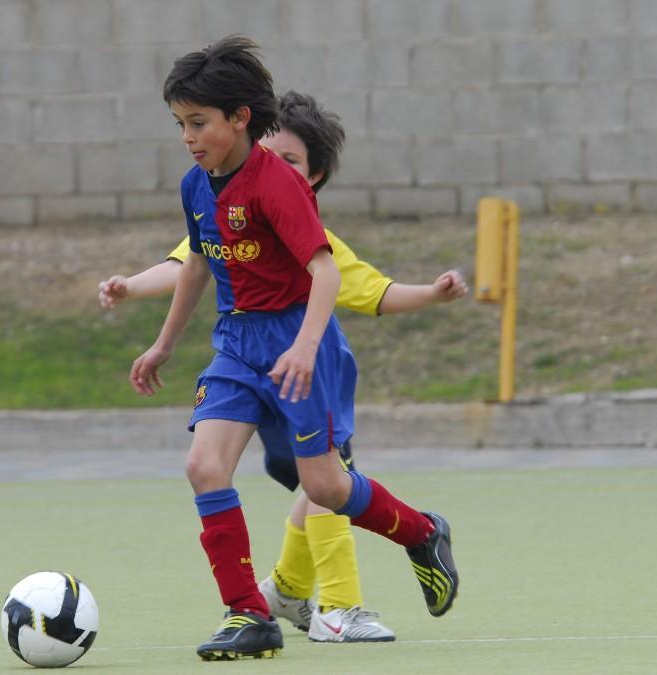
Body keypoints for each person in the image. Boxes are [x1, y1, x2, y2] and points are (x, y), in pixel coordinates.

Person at [130, 36, 458, 661]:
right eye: (180, 123)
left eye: (198, 123)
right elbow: (199, 264)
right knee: (203, 466)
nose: (188, 137)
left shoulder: (276, 184)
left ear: (239, 118)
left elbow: (326, 272)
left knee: (328, 489)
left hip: (295, 338)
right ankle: (248, 615)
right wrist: (163, 343)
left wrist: (307, 348)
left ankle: (422, 532)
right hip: (236, 343)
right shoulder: (197, 185)